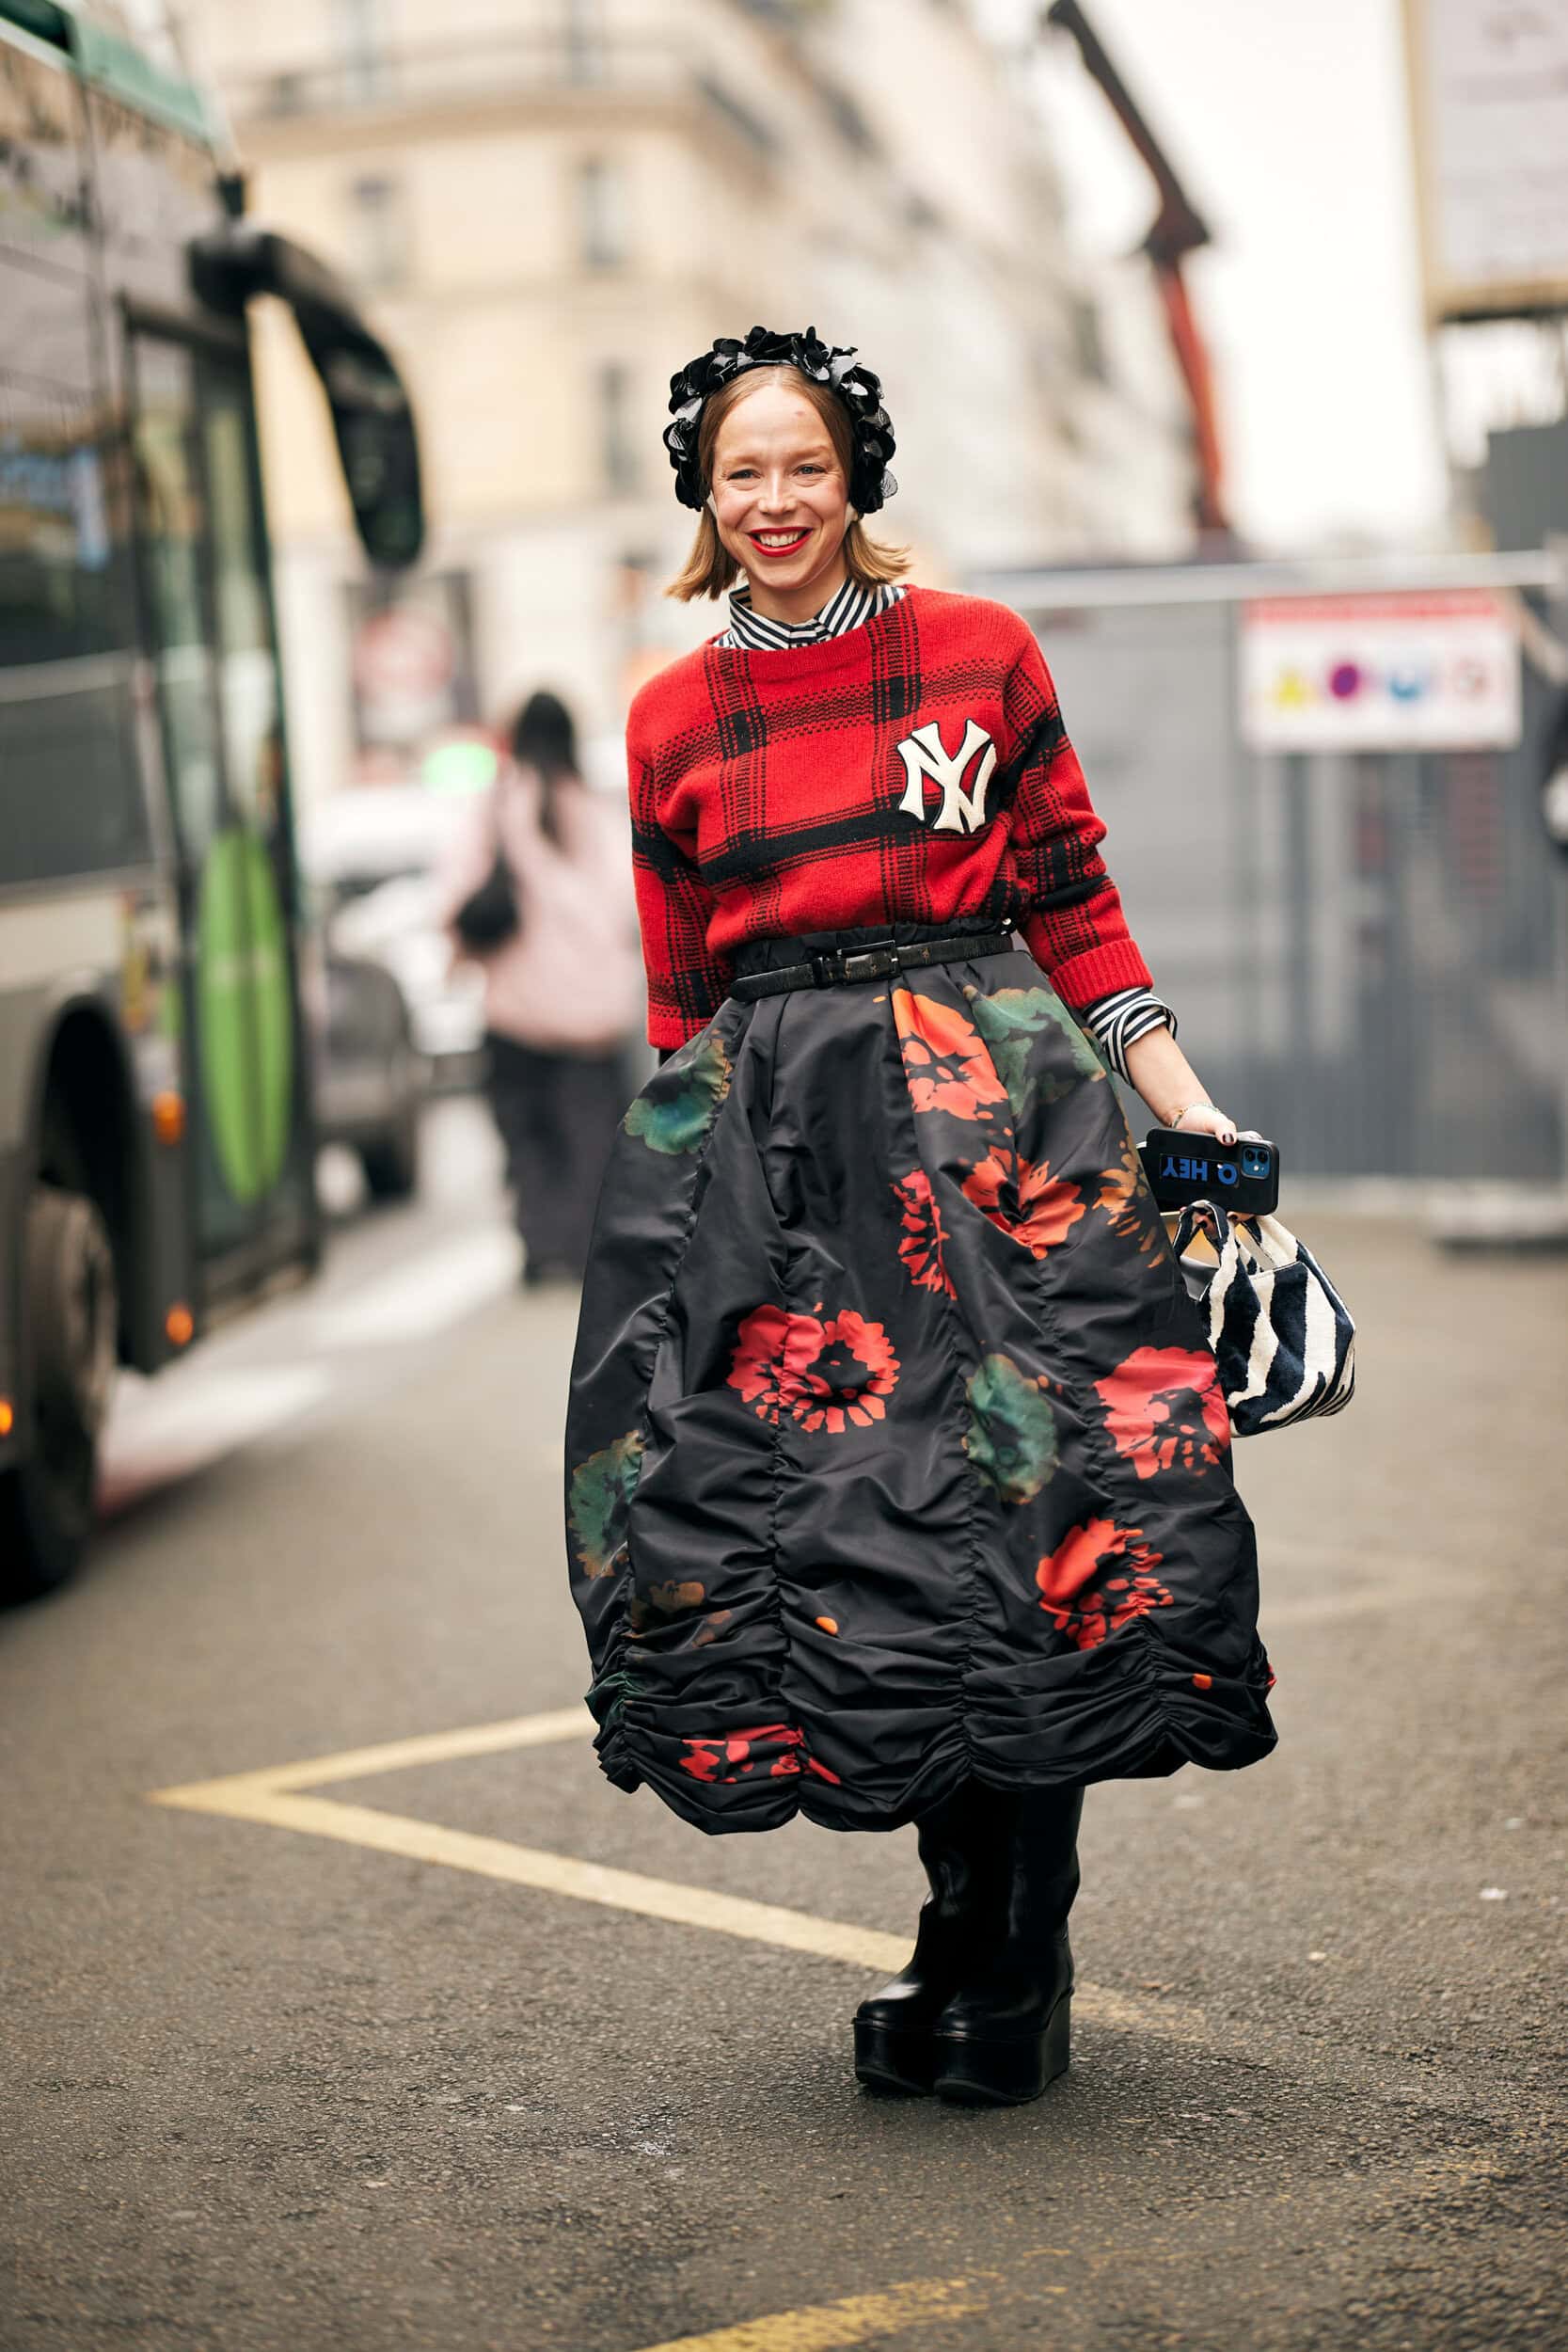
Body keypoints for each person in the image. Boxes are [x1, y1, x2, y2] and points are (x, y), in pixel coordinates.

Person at [562, 326, 1275, 2107]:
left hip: (994, 1132)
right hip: (779, 1167)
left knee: (1031, 1514)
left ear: (855, 475)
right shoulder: (662, 715)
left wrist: (1188, 1117)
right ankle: (956, 1921)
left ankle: (1015, 1952)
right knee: (860, 1541)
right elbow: (678, 1003)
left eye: (805, 466)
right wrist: (682, 1221)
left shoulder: (975, 653)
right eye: (743, 472)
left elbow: (1073, 905)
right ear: (700, 495)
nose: (776, 500)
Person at [437, 691, 641, 1282]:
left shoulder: (498, 805)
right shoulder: (597, 810)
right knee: (592, 1136)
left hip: (517, 1009)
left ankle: (542, 1244)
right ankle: (585, 1246)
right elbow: (625, 906)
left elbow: (456, 895)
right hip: (595, 1012)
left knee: (528, 1136)